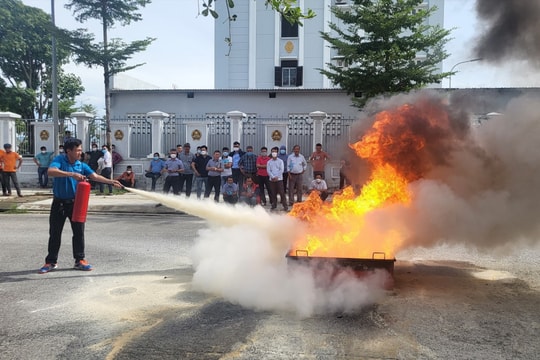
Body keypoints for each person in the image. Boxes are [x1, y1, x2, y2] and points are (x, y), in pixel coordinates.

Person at [38, 138, 122, 274]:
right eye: (77, 150)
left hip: (75, 204)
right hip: (58, 203)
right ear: (68, 151)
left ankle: (80, 260)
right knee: (55, 233)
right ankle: (51, 261)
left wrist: (111, 182)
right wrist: (71, 174)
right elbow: (51, 171)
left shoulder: (81, 165)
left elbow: (94, 176)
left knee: (78, 232)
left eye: (81, 150)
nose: (80, 153)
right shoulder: (59, 160)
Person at [267, 146, 288, 211]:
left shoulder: (280, 161)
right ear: (271, 152)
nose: (274, 153)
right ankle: (274, 205)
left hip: (279, 179)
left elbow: (281, 170)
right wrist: (272, 177)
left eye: (275, 151)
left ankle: (285, 206)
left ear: (277, 152)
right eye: (273, 151)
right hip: (271, 179)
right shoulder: (269, 162)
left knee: (282, 193)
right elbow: (268, 170)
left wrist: (277, 177)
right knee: (273, 193)